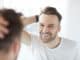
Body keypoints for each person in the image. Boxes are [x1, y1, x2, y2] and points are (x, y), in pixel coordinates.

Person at [0, 6, 80, 60]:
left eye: (50, 26)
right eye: (42, 25)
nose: (44, 30)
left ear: (58, 28)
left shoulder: (73, 47)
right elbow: (13, 26)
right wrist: (36, 18)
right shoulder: (33, 41)